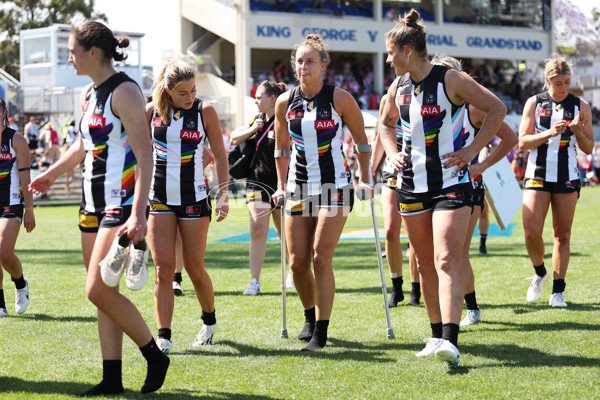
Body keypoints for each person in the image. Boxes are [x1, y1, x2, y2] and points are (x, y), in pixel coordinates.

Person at [29, 21, 169, 396]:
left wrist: (139, 213)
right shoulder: (88, 95)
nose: (69, 58)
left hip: (119, 205)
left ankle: (154, 355)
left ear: (93, 52)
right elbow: (81, 148)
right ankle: (112, 378)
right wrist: (49, 175)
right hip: (90, 206)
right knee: (103, 293)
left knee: (97, 289)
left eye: (72, 51)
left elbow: (145, 157)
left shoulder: (124, 91)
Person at [379, 10, 506, 366]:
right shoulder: (398, 87)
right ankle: (435, 336)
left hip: (453, 183)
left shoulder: (451, 79)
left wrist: (470, 151)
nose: (388, 60)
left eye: (391, 53)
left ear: (407, 51)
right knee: (423, 261)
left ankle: (451, 340)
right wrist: (391, 153)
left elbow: (497, 109)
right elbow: (385, 127)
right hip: (411, 186)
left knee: (447, 258)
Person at [272, 33, 372, 351]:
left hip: (336, 186)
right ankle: (309, 317)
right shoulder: (284, 102)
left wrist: (366, 177)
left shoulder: (339, 99)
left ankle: (321, 332)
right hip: (298, 187)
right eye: (299, 61)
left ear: (323, 65)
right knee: (297, 263)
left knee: (319, 257)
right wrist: (279, 185)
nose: (304, 66)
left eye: (310, 61)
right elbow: (281, 148)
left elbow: (362, 142)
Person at [145, 59, 229, 354]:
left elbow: (219, 153)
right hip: (159, 197)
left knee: (194, 268)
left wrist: (223, 194)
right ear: (167, 91)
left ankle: (209, 321)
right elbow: (138, 156)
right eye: (183, 93)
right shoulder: (150, 112)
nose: (190, 97)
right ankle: (164, 335)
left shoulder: (205, 111)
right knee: (163, 268)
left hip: (194, 198)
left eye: (193, 90)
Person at [430, 55, 518, 327]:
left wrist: (481, 164)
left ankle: (471, 309)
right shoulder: (430, 107)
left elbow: (511, 138)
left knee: (458, 255)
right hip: (433, 187)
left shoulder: (474, 108)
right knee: (441, 256)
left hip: (467, 189)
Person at [518, 55, 594, 307]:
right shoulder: (534, 103)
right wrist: (550, 132)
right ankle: (540, 272)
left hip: (567, 177)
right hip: (537, 174)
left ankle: (557, 292)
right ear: (548, 81)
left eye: (567, 82)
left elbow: (589, 148)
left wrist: (579, 132)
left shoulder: (581, 105)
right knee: (531, 232)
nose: (563, 88)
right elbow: (522, 142)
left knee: (562, 235)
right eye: (559, 83)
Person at [229, 80, 289, 295]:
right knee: (256, 230)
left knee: (286, 233)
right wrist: (254, 128)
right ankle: (254, 281)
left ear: (273, 98)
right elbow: (233, 138)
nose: (256, 101)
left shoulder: (286, 120)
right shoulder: (257, 119)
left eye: (259, 97)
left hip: (283, 183)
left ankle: (293, 272)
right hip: (256, 181)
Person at [370, 94, 420, 307]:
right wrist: (369, 172)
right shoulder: (388, 99)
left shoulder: (423, 97)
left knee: (415, 236)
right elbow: (381, 137)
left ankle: (416, 290)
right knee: (390, 231)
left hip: (418, 172)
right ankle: (396, 287)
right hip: (392, 171)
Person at [0, 97, 36, 318]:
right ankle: (0, 305)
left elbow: (26, 177)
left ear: (3, 112)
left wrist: (30, 208)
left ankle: (21, 284)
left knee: (3, 252)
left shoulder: (16, 139)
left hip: (11, 202)